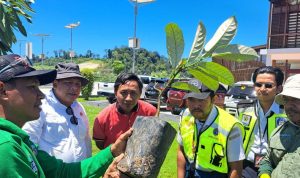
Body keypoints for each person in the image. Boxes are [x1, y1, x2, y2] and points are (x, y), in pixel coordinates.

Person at [0, 54, 132, 177]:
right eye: (32, 87)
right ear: (3, 91)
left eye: (77, 84)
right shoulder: (6, 148)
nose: (41, 95)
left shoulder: (23, 143)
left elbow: (61, 172)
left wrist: (112, 151)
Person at [23, 62, 91, 163]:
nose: (74, 88)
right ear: (55, 84)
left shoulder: (79, 107)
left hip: (80, 170)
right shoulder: (40, 107)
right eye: (68, 83)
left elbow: (85, 139)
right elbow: (29, 142)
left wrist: (89, 164)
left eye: (78, 84)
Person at [177, 78, 245, 178]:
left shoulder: (231, 126)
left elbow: (236, 169)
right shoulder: (185, 115)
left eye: (201, 100)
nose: (196, 105)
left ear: (213, 99)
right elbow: (180, 151)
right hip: (189, 170)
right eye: (191, 99)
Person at [237, 66, 287, 177]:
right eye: (258, 84)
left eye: (268, 85)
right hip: (247, 167)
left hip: (276, 167)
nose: (262, 89)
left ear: (279, 88)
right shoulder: (242, 108)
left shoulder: (287, 112)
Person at [93, 72, 156, 149]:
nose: (128, 98)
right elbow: (100, 144)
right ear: (115, 92)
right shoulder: (102, 118)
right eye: (123, 93)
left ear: (140, 94)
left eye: (133, 93)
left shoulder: (150, 112)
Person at [258, 74, 300, 178]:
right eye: (286, 100)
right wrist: (264, 174)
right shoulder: (279, 131)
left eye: (295, 99)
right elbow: (268, 160)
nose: (289, 105)